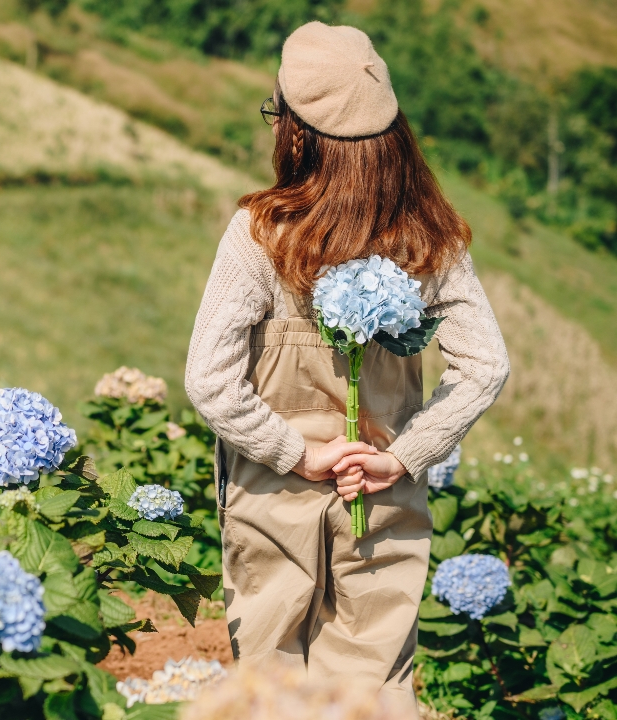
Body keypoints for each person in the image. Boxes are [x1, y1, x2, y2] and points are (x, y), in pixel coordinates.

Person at [184, 21, 510, 713]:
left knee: (270, 689)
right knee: (375, 691)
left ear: (295, 132)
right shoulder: (432, 236)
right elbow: (485, 367)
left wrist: (294, 452)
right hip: (381, 487)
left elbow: (209, 381)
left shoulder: (259, 235)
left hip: (272, 494)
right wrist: (406, 455)